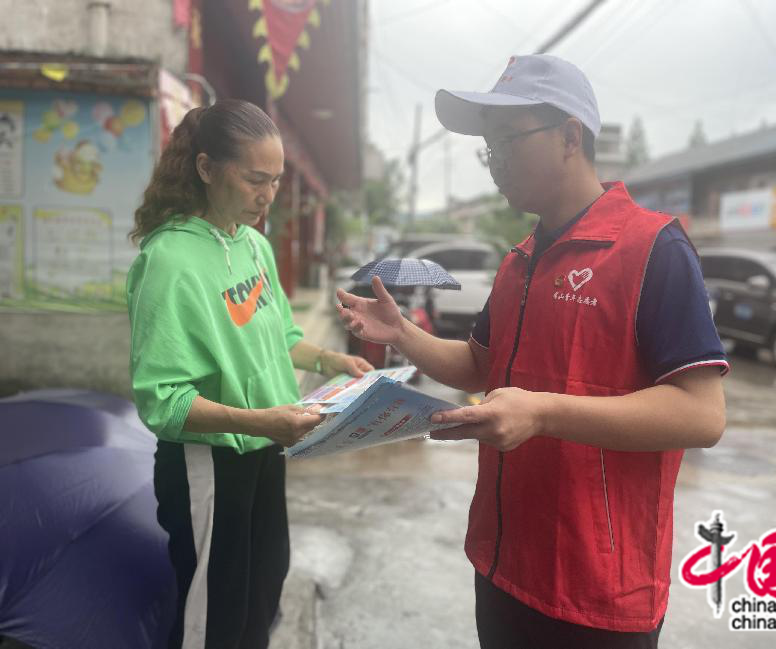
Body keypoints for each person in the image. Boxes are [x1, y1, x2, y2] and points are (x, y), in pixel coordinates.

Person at [337, 55, 729, 649]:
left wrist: (543, 413)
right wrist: (402, 334)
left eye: (507, 142)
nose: (495, 162)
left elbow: (701, 413)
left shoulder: (654, 249)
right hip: (503, 562)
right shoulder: (519, 261)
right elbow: (479, 366)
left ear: (570, 136)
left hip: (598, 591)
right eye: (488, 149)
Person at [127, 99, 373, 649]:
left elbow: (279, 336)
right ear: (206, 168)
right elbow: (163, 401)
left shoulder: (255, 244)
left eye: (277, 181)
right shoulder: (168, 262)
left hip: (265, 449)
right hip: (209, 462)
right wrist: (260, 421)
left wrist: (332, 361)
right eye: (255, 179)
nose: (268, 196)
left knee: (264, 586)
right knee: (215, 615)